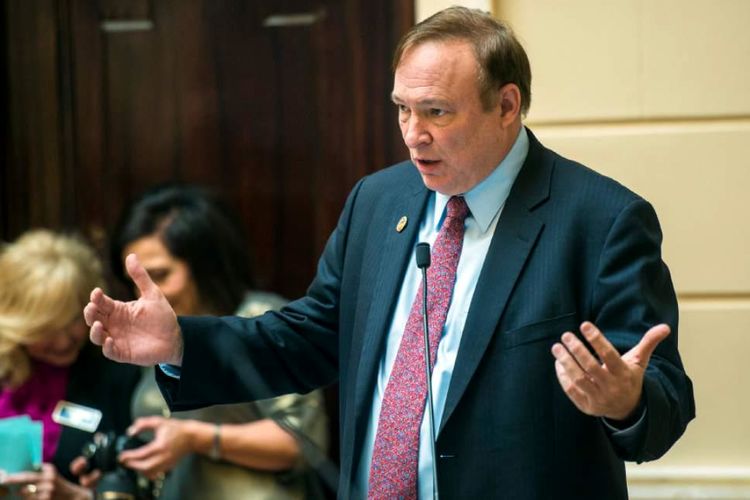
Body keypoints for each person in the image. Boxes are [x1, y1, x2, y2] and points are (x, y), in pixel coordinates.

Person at [84, 7, 696, 499]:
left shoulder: (601, 220)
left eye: (436, 112)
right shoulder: (379, 201)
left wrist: (627, 402)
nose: (412, 134)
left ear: (506, 105)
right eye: (402, 108)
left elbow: (664, 399)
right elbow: (310, 337)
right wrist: (181, 343)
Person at [102, 184, 329, 500]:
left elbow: (303, 441)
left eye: (160, 275)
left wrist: (195, 438)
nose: (146, 294)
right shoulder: (155, 333)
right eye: (135, 282)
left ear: (203, 264)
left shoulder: (259, 317)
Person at [0, 229, 139, 499]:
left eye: (74, 320)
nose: (64, 341)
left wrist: (78, 496)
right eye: (47, 329)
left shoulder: (118, 373)